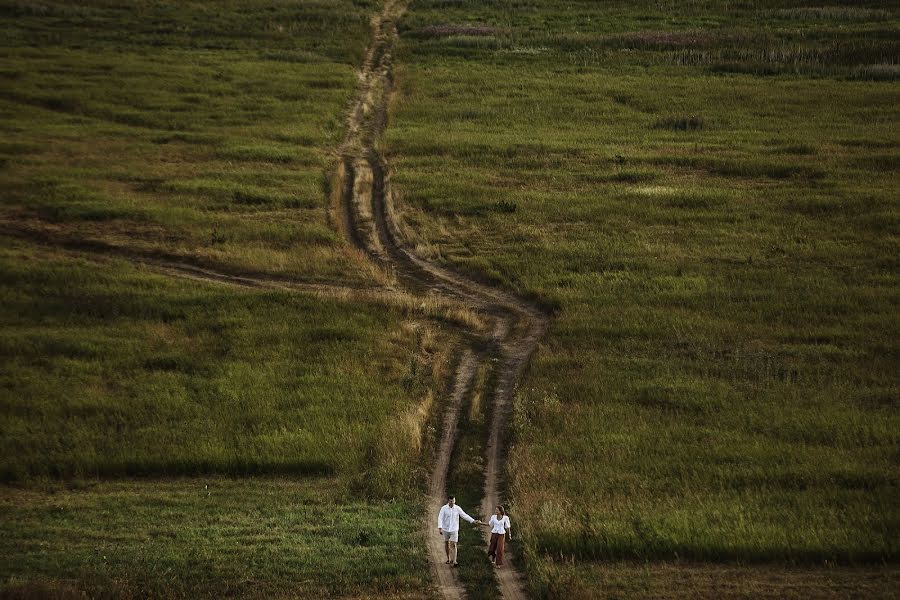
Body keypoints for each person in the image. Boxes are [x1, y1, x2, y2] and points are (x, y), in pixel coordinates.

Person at [437, 495, 481, 567]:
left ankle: (454, 561)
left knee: (453, 544)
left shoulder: (457, 508)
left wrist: (473, 521)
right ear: (448, 501)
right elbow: (440, 518)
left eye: (454, 501)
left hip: (454, 529)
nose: (452, 502)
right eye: (451, 501)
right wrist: (440, 527)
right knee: (446, 543)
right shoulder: (444, 508)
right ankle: (449, 558)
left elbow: (464, 515)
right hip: (445, 529)